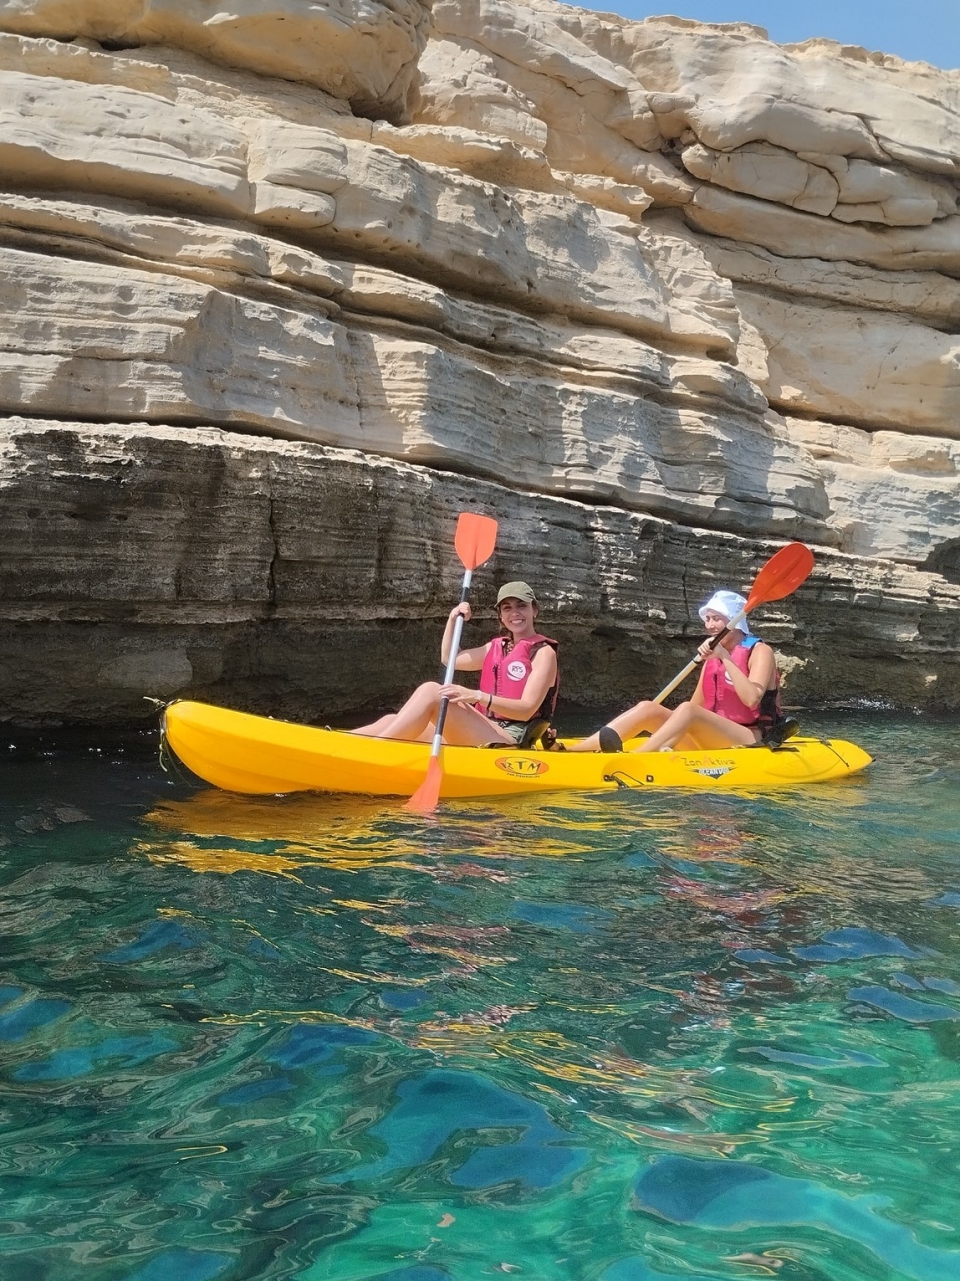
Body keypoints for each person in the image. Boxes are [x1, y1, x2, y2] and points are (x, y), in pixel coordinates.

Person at [570, 590, 785, 754]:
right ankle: (578, 750)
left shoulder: (759, 651)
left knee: (687, 710)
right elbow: (695, 706)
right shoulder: (713, 658)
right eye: (707, 619)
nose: (710, 625)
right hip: (712, 737)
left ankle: (637, 757)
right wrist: (663, 721)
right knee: (649, 708)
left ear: (735, 621)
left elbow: (751, 700)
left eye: (717, 618)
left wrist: (725, 658)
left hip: (750, 736)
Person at [351, 582, 559, 747]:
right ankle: (337, 743)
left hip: (510, 738)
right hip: (483, 728)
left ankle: (376, 751)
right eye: (507, 608)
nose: (514, 613)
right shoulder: (495, 648)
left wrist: (476, 696)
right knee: (390, 720)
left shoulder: (543, 653)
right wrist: (452, 619)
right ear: (501, 617)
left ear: (535, 610)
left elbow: (525, 710)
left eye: (521, 606)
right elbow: (450, 659)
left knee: (432, 691)